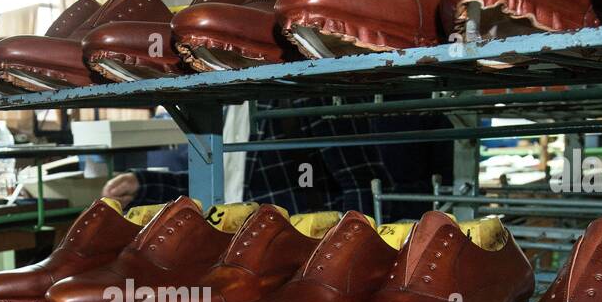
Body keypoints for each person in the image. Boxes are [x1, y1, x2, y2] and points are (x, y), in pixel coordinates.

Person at [101, 97, 448, 218]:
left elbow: (362, 186)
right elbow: (224, 186)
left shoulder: (296, 99)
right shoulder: (218, 108)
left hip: (297, 258)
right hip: (239, 249)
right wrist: (144, 184)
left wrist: (350, 265)